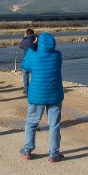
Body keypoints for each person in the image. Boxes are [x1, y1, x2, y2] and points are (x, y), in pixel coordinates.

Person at [20, 32, 64, 162]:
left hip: (36, 95)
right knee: (54, 124)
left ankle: (28, 150)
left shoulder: (32, 56)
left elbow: (25, 66)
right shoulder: (57, 55)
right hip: (54, 94)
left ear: (38, 42)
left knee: (32, 122)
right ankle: (54, 153)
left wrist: (32, 48)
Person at [18, 28, 37, 94]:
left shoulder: (25, 40)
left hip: (26, 60)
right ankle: (33, 89)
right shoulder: (36, 39)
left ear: (27, 33)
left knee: (25, 75)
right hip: (35, 60)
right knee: (34, 76)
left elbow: (20, 46)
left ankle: (26, 89)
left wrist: (24, 38)